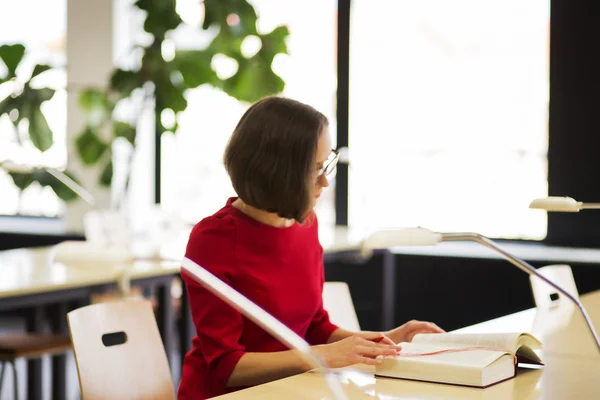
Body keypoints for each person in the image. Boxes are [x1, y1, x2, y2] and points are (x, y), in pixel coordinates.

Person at [178, 96, 443, 399]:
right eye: (315, 169)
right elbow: (228, 366)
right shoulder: (214, 239)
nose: (325, 183)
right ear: (278, 172)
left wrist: (389, 339)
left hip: (292, 390)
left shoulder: (306, 224)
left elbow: (315, 326)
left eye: (325, 165)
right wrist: (324, 355)